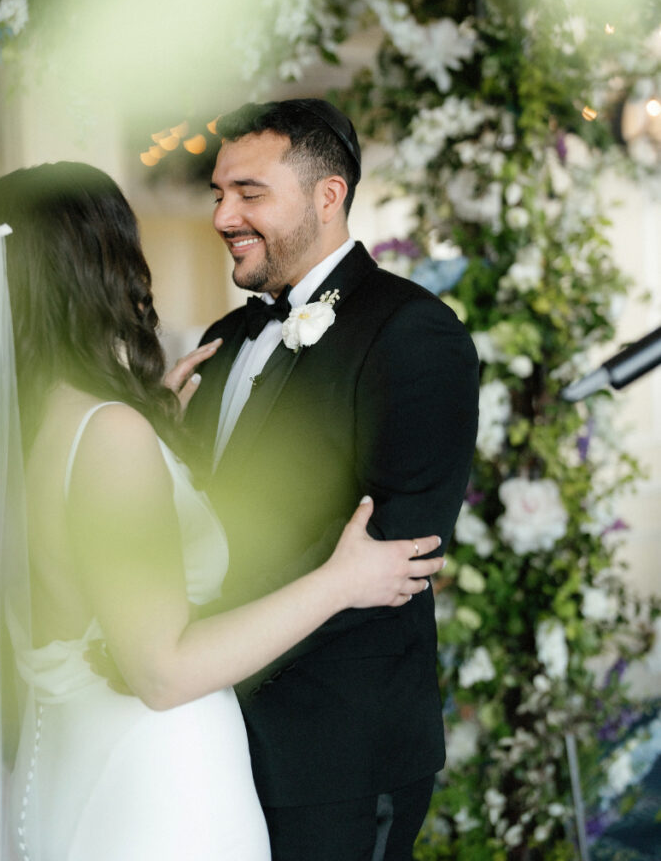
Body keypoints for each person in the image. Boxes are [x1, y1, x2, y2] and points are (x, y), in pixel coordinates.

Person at [0, 162, 446, 861]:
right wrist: (341, 581)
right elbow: (162, 672)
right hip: (159, 792)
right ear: (102, 267)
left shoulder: (13, 439)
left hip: (61, 775)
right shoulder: (108, 436)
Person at [186, 98, 480, 860]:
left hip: (339, 750)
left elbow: (398, 554)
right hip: (210, 736)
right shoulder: (224, 339)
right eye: (219, 194)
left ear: (328, 195)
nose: (223, 215)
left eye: (249, 193)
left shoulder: (411, 331)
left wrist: (198, 646)